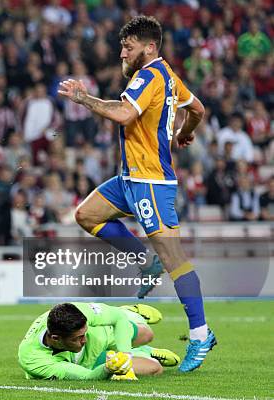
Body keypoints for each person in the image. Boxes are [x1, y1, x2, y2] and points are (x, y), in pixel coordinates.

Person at [58, 16, 216, 372]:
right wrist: (183, 133)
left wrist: (84, 98)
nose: (122, 54)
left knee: (175, 259)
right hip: (129, 178)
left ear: (149, 48)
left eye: (128, 48)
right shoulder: (169, 75)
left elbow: (126, 114)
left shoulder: (150, 75)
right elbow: (198, 109)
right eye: (121, 47)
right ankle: (145, 260)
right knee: (87, 215)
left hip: (150, 182)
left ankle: (200, 334)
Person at [18, 302, 180, 380]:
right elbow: (87, 377)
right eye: (78, 338)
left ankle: (130, 311)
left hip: (102, 333)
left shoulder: (78, 312)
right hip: (89, 362)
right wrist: (109, 369)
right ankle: (147, 353)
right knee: (155, 368)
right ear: (56, 339)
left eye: (84, 334)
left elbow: (118, 319)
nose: (84, 340)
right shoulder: (33, 360)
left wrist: (125, 356)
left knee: (147, 334)